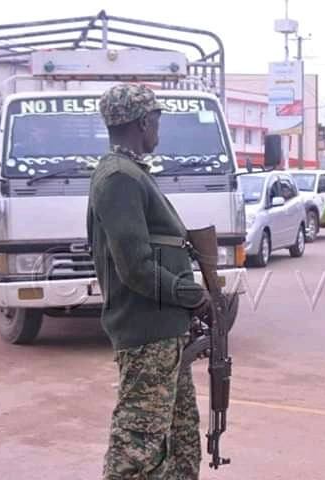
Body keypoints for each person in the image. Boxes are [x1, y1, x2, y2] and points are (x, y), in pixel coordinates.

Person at [87, 84, 209, 479]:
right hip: (146, 332)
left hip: (163, 330)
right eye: (156, 119)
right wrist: (192, 296)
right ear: (142, 122)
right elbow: (136, 266)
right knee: (137, 447)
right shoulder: (119, 178)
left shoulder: (131, 172)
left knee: (180, 441)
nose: (159, 128)